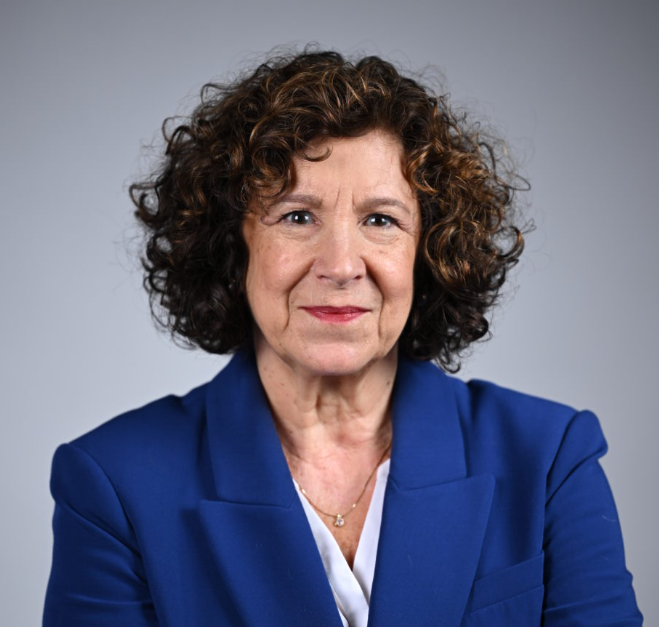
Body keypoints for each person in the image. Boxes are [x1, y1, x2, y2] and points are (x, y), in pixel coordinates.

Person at [43, 47, 643, 626]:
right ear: (233, 245)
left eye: (380, 220)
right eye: (297, 216)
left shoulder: (550, 459)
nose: (340, 265)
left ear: (429, 252)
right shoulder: (114, 482)